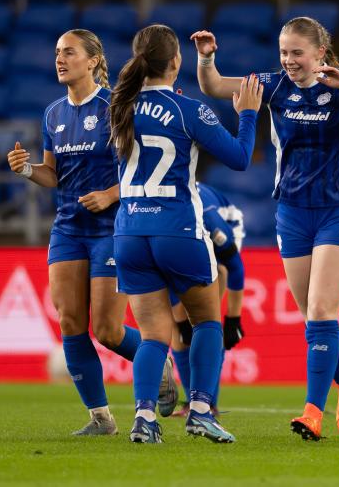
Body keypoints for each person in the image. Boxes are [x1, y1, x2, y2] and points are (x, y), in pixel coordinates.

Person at [193, 16, 339, 441]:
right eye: (284, 53)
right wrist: (205, 59)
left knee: (323, 311)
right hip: (292, 214)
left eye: (296, 53)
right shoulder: (273, 86)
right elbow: (215, 86)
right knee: (314, 317)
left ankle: (312, 411)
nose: (288, 60)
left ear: (319, 55)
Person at [6, 28, 176, 436]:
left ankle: (159, 361)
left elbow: (146, 169)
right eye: (56, 52)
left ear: (94, 61)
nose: (59, 60)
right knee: (69, 322)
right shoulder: (53, 114)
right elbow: (53, 174)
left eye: (69, 52)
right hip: (68, 229)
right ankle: (101, 418)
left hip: (111, 229)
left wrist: (111, 194)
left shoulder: (117, 107)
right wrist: (28, 169)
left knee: (107, 329)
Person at [108, 24, 262, 444]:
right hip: (178, 229)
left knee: (156, 335)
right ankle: (200, 411)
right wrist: (247, 112)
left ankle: (143, 418)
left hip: (130, 232)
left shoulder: (119, 107)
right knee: (207, 320)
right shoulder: (188, 110)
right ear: (176, 61)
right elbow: (240, 158)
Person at [169, 182, 247, 415]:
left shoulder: (209, 219)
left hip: (225, 231)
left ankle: (209, 402)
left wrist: (233, 320)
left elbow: (234, 267)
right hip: (180, 240)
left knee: (207, 319)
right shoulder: (164, 219)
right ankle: (194, 401)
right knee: (178, 334)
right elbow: (168, 275)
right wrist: (181, 323)